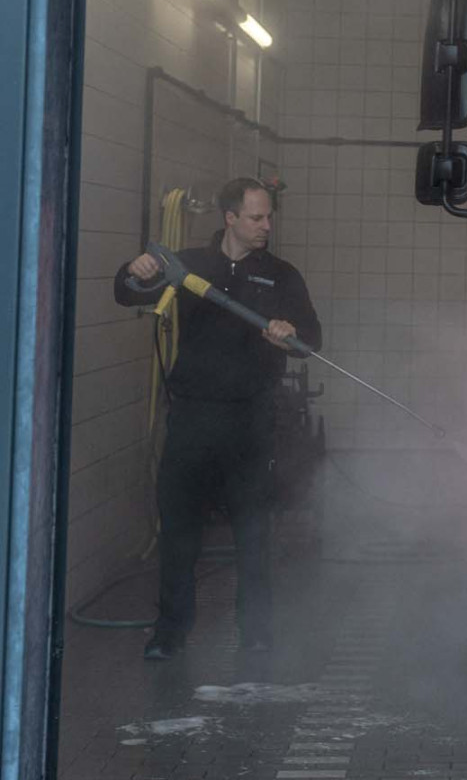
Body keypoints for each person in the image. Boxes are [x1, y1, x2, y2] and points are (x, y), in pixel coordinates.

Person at [115, 178, 320, 659]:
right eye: (256, 217)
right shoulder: (189, 266)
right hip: (192, 416)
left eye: (268, 217)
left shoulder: (282, 275)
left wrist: (290, 334)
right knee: (179, 528)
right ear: (230, 217)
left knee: (253, 531)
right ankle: (170, 632)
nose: (266, 226)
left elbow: (312, 339)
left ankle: (257, 632)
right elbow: (128, 293)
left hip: (251, 419)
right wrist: (134, 270)